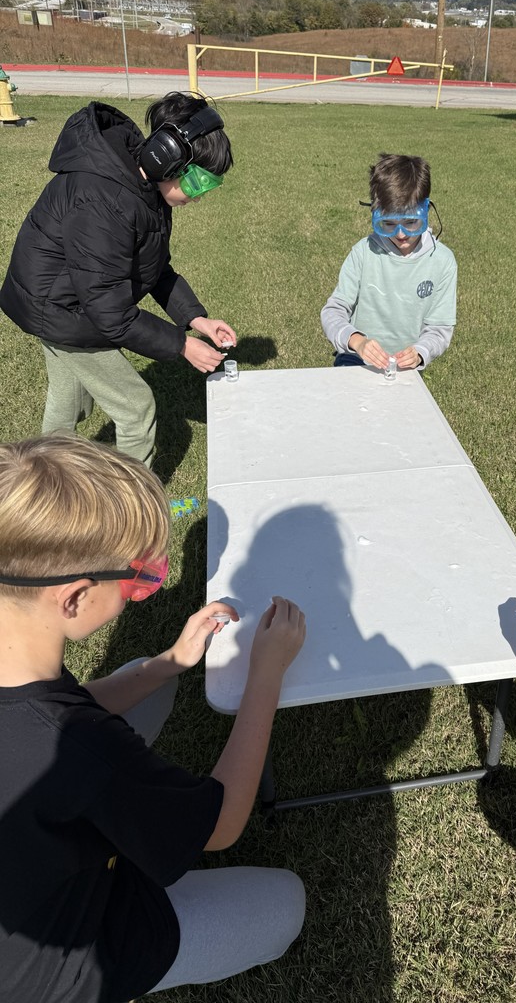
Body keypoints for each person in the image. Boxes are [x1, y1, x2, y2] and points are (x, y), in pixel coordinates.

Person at [0, 432, 306, 1003]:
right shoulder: (82, 750)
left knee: (146, 681)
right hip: (60, 967)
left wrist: (170, 663)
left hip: (26, 879)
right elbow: (220, 827)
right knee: (287, 901)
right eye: (140, 579)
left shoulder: (16, 654)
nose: (145, 589)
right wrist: (266, 675)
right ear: (74, 597)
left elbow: (62, 704)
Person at [0, 92, 237, 468]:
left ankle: (41, 489)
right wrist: (181, 346)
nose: (199, 196)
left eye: (209, 187)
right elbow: (109, 311)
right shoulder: (103, 199)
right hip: (59, 307)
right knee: (136, 409)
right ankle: (130, 516)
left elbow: (156, 269)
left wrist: (195, 319)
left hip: (63, 300)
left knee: (70, 400)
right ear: (166, 157)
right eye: (197, 183)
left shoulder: (145, 186)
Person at [321, 152, 457, 371]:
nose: (401, 234)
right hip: (356, 359)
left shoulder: (442, 261)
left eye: (411, 222)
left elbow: (439, 329)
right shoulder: (363, 252)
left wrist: (420, 353)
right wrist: (357, 341)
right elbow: (333, 311)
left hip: (404, 366)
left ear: (427, 210)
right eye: (389, 224)